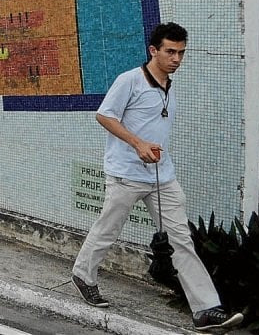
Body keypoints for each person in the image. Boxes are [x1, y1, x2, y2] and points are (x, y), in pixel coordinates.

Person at [71, 23, 243, 333]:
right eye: (171, 52)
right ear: (154, 50)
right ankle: (83, 274)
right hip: (126, 174)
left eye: (181, 53)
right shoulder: (130, 81)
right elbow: (104, 115)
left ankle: (206, 310)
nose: (177, 58)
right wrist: (137, 143)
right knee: (108, 230)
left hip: (163, 177)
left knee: (182, 240)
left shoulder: (168, 85)